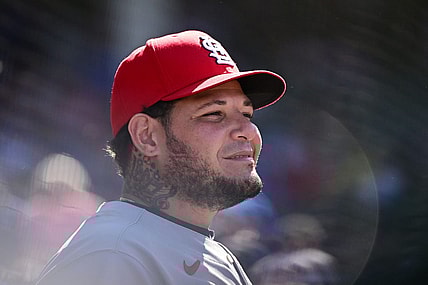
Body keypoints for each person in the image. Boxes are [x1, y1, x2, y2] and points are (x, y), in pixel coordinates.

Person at [35, 30, 286, 285]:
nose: (248, 131)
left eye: (246, 114)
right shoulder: (112, 255)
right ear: (147, 136)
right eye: (214, 114)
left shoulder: (217, 256)